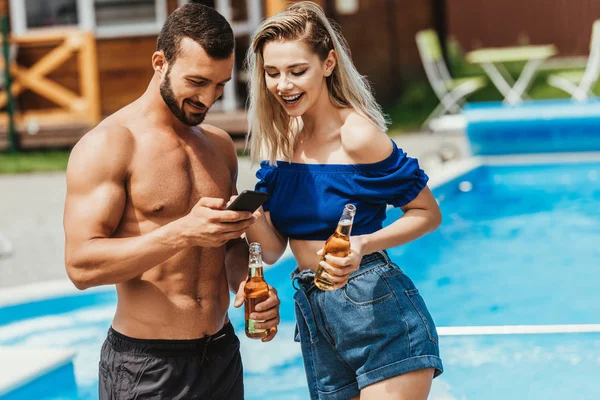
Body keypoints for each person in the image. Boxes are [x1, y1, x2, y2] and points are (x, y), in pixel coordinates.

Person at [63, 3, 280, 399]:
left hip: (221, 355)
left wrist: (248, 286)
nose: (208, 97)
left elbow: (230, 244)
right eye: (197, 81)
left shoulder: (218, 146)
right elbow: (80, 266)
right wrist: (181, 232)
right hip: (146, 365)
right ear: (159, 62)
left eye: (219, 85)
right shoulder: (110, 145)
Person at [243, 2, 443, 399]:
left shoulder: (357, 136)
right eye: (272, 72)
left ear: (328, 64)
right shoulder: (279, 140)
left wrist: (363, 243)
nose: (283, 84)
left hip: (377, 308)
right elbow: (270, 249)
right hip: (316, 316)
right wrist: (243, 212)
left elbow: (427, 213)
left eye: (297, 71)